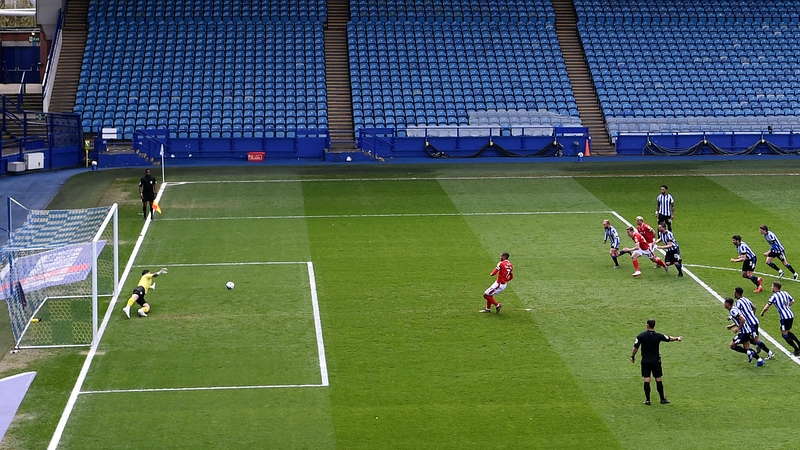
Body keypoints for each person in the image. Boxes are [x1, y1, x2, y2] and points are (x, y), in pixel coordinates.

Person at [631, 318, 681, 405]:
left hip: (645, 360)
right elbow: (668, 338)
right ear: (654, 325)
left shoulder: (641, 336)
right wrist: (677, 338)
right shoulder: (658, 336)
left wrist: (633, 356)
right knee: (658, 379)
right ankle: (662, 399)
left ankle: (648, 400)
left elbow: (635, 347)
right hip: (655, 360)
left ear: (647, 325)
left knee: (647, 379)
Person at [760, 281, 800, 356]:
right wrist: (786, 306)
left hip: (784, 317)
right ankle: (799, 343)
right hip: (791, 315)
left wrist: (762, 313)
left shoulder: (774, 296)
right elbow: (792, 301)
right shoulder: (785, 293)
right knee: (787, 331)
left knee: (784, 334)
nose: (771, 288)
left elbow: (767, 307)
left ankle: (797, 349)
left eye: (772, 286)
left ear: (775, 287)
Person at [733, 287, 773, 359]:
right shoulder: (746, 299)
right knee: (751, 338)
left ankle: (769, 352)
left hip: (751, 323)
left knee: (755, 340)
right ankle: (758, 346)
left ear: (737, 293)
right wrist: (752, 315)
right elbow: (754, 307)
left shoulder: (738, 303)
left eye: (734, 292)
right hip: (755, 320)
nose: (733, 294)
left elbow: (739, 315)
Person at [724, 297, 765, 366]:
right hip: (746, 331)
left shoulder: (733, 311)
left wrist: (738, 328)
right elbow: (739, 318)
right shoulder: (734, 309)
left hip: (744, 332)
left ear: (728, 304)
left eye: (725, 302)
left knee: (732, 346)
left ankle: (749, 352)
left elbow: (743, 319)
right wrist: (731, 326)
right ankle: (759, 360)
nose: (724, 304)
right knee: (747, 347)